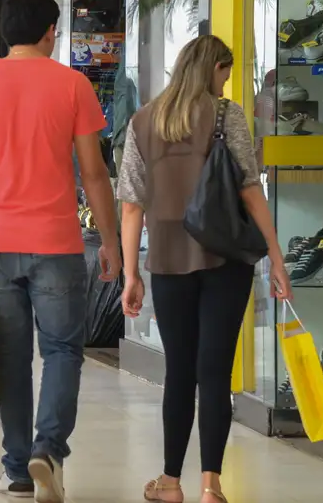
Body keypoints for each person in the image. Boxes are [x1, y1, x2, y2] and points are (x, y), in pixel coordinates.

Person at [0, 0, 121, 502]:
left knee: (13, 357)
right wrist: (109, 241)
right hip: (58, 244)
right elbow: (94, 172)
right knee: (64, 350)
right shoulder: (72, 85)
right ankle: (49, 449)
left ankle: (19, 469)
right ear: (49, 31)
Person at [117, 35, 291, 503]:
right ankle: (210, 485)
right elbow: (250, 190)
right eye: (224, 73)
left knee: (180, 371)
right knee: (214, 372)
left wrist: (131, 273)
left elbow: (131, 205)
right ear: (212, 68)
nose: (225, 82)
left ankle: (170, 481)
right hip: (225, 259)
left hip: (169, 263)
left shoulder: (143, 120)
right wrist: (275, 255)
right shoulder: (225, 114)